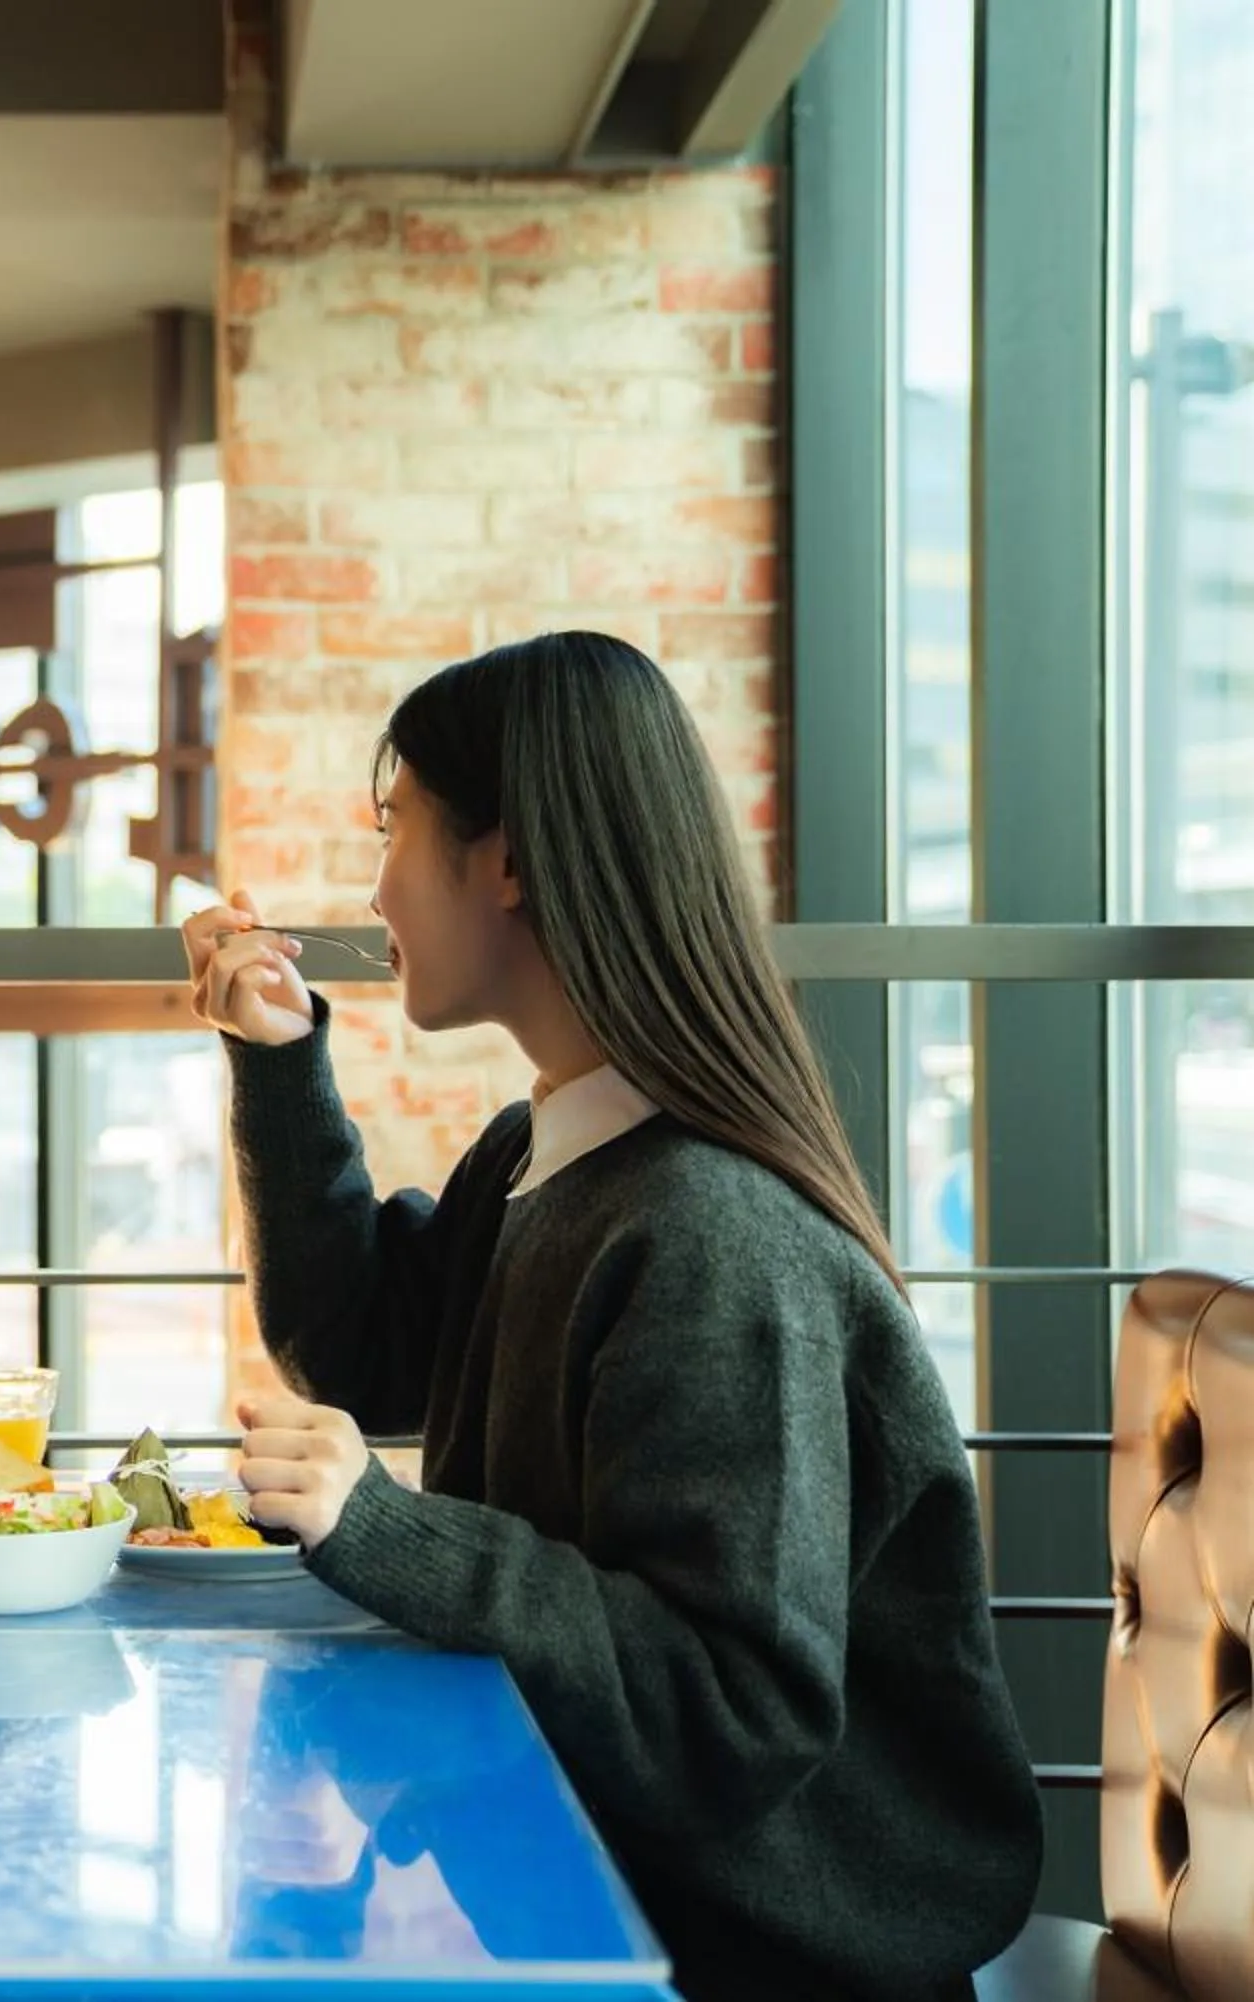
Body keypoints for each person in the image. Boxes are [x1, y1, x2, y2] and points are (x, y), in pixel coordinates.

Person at [182, 631, 1040, 2000]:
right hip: (600, 1887)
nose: (373, 881)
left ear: (508, 862)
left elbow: (729, 1708)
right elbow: (357, 1345)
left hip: (754, 1960)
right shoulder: (549, 1154)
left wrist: (387, 1527)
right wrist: (278, 1063)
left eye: (395, 825)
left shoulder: (712, 1236)